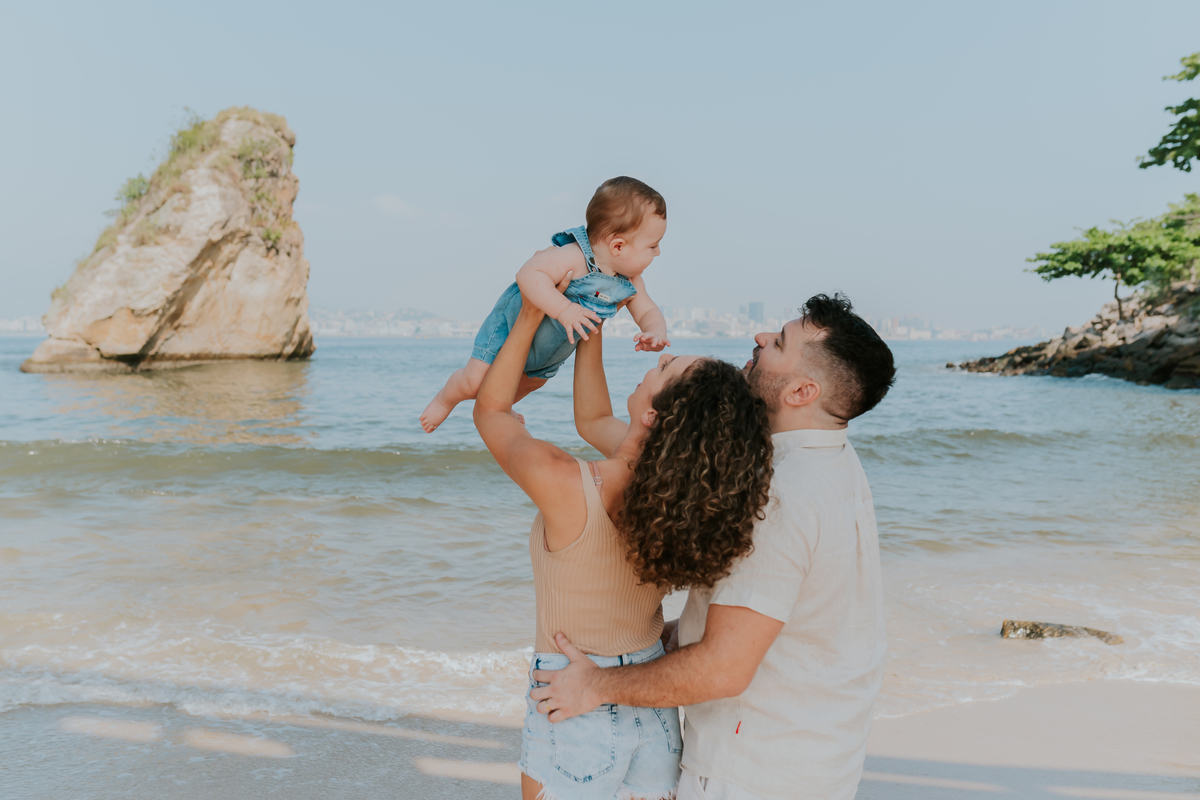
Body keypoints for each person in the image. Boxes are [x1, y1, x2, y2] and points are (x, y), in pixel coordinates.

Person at [530, 293, 898, 800]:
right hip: (815, 758)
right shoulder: (833, 462)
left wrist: (594, 686)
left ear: (802, 390)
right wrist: (664, 635)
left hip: (753, 774)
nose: (759, 338)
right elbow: (775, 615)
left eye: (779, 343)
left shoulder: (783, 496)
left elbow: (724, 668)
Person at [472, 284, 773, 800]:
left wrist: (528, 316)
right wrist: (591, 319)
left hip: (573, 697)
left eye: (664, 368)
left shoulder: (568, 484)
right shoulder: (679, 494)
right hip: (651, 700)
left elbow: (490, 412)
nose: (655, 364)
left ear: (653, 416)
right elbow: (592, 420)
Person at [420, 176, 672, 432]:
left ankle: (502, 405)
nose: (658, 252)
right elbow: (528, 274)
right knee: (474, 382)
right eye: (653, 246)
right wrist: (565, 309)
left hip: (548, 352)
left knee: (531, 383)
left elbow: (648, 310)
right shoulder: (573, 257)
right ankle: (445, 398)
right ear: (618, 246)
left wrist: (655, 332)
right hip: (510, 330)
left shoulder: (629, 281)